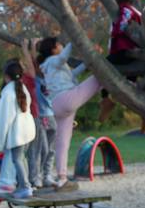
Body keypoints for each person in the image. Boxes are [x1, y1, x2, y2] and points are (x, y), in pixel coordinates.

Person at [39, 37, 102, 191]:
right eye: (59, 44)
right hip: (66, 99)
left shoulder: (51, 67)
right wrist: (75, 39)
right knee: (99, 77)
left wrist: (88, 63)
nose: (61, 46)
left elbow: (73, 74)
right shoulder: (53, 60)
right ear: (53, 49)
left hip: (57, 106)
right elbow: (62, 57)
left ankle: (62, 178)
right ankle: (123, 87)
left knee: (62, 143)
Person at [98, 0, 145, 123]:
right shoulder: (137, 11)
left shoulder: (125, 9)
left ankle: (105, 98)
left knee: (102, 67)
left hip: (124, 50)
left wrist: (115, 32)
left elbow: (123, 22)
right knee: (131, 84)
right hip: (136, 52)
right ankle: (144, 112)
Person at [0, 59, 36, 199]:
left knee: (17, 159)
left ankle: (25, 187)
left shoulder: (8, 93)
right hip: (28, 130)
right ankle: (26, 184)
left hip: (19, 133)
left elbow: (4, 119)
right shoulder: (22, 88)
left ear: (6, 76)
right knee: (22, 159)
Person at [20, 38, 57, 190]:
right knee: (41, 148)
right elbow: (33, 64)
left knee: (52, 149)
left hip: (52, 115)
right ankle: (35, 177)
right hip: (40, 116)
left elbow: (37, 64)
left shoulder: (49, 76)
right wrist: (29, 48)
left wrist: (34, 47)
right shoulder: (35, 79)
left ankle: (47, 174)